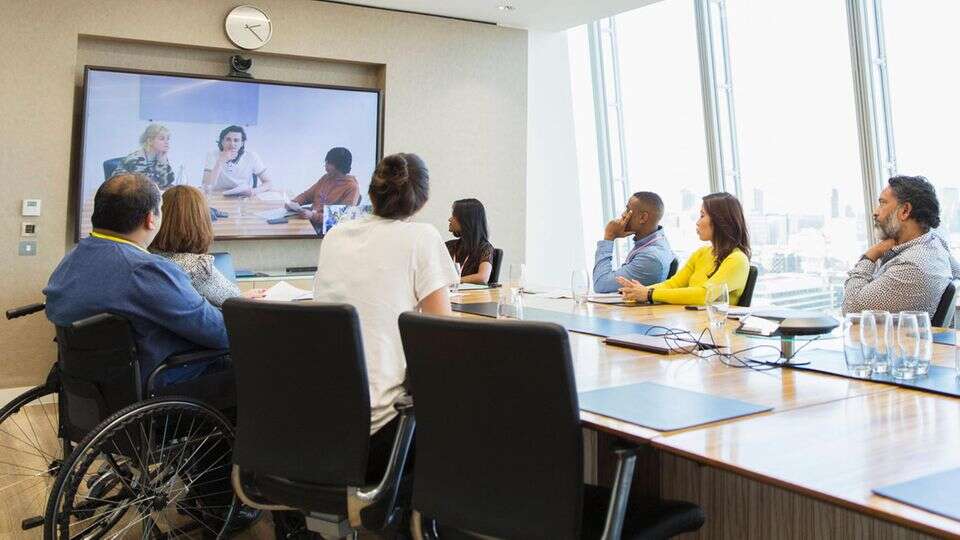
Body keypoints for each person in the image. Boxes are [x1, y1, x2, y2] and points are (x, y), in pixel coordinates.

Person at [313, 152, 457, 478]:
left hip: (320, 421)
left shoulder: (335, 235)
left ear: (372, 191)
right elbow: (443, 341)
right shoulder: (422, 237)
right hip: (379, 430)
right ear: (423, 199)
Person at [44, 174, 230, 384]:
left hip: (88, 381)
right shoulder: (147, 270)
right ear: (151, 219)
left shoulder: (73, 257)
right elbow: (220, 333)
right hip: (156, 380)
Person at [843, 176, 960, 317]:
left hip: (897, 338)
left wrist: (871, 255)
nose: (875, 212)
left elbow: (851, 309)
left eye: (883, 203)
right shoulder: (934, 242)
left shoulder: (913, 265)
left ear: (905, 211)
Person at [618, 192, 751, 306]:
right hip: (693, 326)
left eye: (702, 215)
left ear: (720, 221)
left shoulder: (737, 260)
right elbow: (673, 284)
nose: (697, 222)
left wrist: (649, 294)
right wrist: (637, 291)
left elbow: (705, 294)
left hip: (716, 331)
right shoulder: (701, 253)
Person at [150, 186, 266, 306]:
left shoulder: (146, 256)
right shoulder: (197, 267)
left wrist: (242, 297)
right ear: (201, 221)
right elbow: (233, 302)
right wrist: (244, 297)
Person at [593, 191, 676, 293]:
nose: (623, 215)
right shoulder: (656, 241)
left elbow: (601, 285)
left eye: (628, 210)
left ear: (643, 218)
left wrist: (609, 236)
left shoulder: (650, 257)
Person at [287, 147, 361, 229]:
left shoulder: (352, 187)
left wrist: (313, 216)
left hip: (325, 229)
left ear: (339, 165)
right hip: (312, 220)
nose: (325, 166)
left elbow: (341, 218)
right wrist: (294, 202)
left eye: (329, 163)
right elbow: (307, 195)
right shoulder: (326, 178)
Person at [202, 125, 274, 195]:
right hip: (218, 196)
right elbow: (207, 186)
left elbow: (268, 183)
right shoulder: (212, 155)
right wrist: (220, 161)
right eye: (228, 139)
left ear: (242, 143)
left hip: (242, 197)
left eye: (236, 140)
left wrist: (253, 191)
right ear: (222, 141)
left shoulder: (251, 156)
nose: (232, 144)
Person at [446, 198, 495, 285]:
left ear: (466, 220)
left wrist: (454, 280)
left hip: (472, 297)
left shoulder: (485, 248)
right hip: (449, 295)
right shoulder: (449, 246)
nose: (449, 219)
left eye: (453, 215)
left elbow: (483, 277)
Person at [114, 123, 176, 188]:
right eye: (162, 139)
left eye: (168, 139)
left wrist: (162, 162)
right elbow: (144, 186)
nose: (166, 142)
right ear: (150, 141)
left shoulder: (160, 156)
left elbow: (167, 182)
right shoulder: (136, 159)